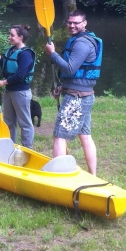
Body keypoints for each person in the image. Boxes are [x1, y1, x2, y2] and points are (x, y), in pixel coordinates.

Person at [44, 10, 102, 175]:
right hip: (83, 95)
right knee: (85, 136)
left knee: (59, 136)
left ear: (84, 23)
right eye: (70, 22)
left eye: (76, 23)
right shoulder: (82, 40)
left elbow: (70, 69)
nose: (72, 25)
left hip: (77, 98)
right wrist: (64, 87)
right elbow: (76, 75)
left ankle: (59, 175)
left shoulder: (82, 43)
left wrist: (53, 53)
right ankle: (93, 175)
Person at [0, 24, 37, 149]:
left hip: (21, 93)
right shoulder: (11, 50)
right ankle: (9, 146)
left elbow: (19, 76)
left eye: (12, 35)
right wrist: (0, 59)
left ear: (20, 37)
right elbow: (8, 68)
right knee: (9, 122)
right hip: (9, 91)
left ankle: (27, 149)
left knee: (25, 123)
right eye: (10, 35)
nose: (9, 37)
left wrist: (3, 82)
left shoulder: (26, 54)